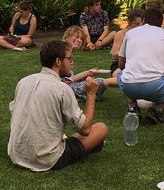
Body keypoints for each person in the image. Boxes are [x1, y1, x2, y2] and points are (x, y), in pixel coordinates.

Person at [7, 40, 109, 172]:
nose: (72, 62)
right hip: (46, 159)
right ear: (58, 61)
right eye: (69, 58)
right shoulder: (62, 89)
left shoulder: (24, 81)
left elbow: (14, 111)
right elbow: (85, 129)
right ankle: (93, 144)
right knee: (101, 129)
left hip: (16, 153)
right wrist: (91, 94)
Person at [117, 7, 164, 124]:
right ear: (161, 22)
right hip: (155, 88)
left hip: (129, 87)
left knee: (120, 73)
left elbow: (121, 64)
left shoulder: (130, 33)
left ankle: (132, 107)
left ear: (143, 20)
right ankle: (157, 110)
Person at [109, 8, 145, 73]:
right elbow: (114, 55)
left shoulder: (144, 33)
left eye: (142, 24)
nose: (139, 26)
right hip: (120, 64)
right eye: (136, 24)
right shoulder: (121, 34)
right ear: (129, 23)